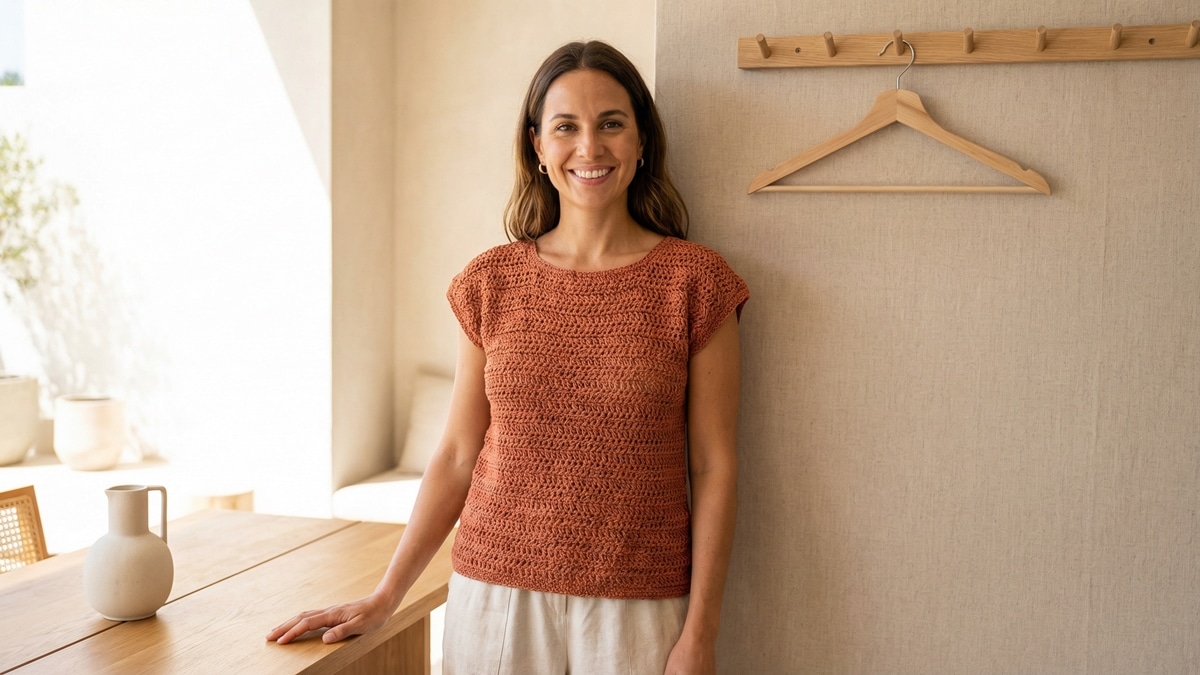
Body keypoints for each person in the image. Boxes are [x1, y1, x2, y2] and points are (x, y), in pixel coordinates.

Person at [268, 40, 748, 675]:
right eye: (566, 127)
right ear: (538, 146)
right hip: (495, 598)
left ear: (641, 141)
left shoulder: (695, 283)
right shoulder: (490, 282)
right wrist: (388, 595)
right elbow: (458, 453)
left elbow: (713, 465)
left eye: (611, 123)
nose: (590, 148)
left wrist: (701, 634)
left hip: (638, 604)